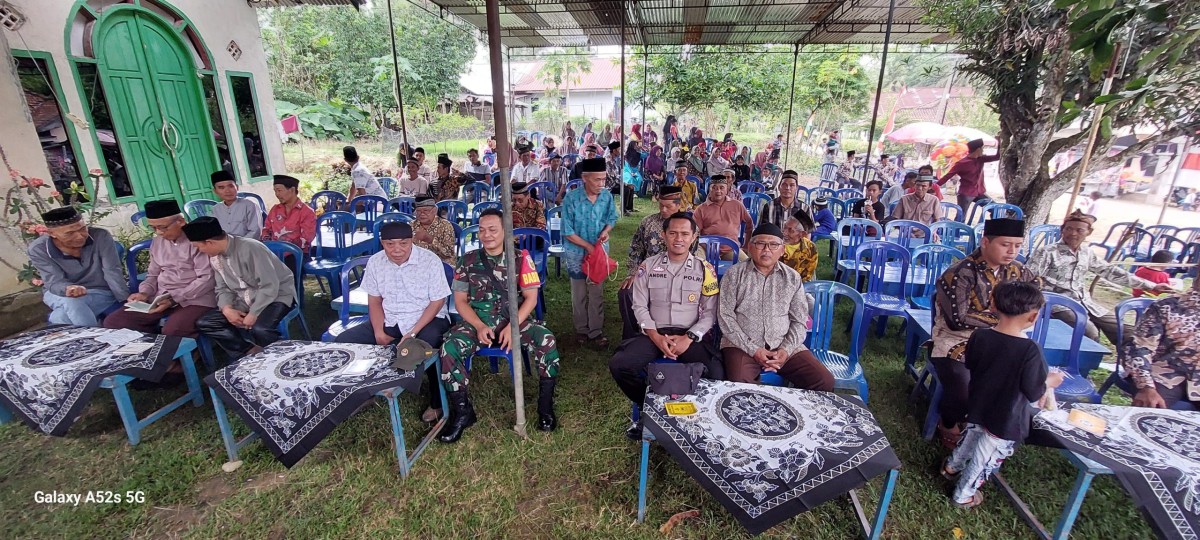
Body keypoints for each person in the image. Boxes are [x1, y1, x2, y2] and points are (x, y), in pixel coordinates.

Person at [438, 209, 561, 441]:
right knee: (449, 348)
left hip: (514, 321)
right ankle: (463, 413)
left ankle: (545, 408)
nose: (487, 235)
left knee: (547, 340)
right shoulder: (467, 261)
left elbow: (531, 299)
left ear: (505, 231)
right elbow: (461, 302)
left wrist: (513, 326)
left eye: (493, 230)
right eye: (482, 230)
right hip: (478, 324)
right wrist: (478, 325)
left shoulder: (522, 259)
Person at [942, 281, 1063, 508]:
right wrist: (1050, 381)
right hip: (1006, 416)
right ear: (1033, 317)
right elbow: (1032, 390)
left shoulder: (979, 336)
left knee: (971, 437)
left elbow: (972, 364)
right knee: (984, 456)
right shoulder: (1030, 350)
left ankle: (951, 467)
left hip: (978, 404)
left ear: (994, 305)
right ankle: (963, 494)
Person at [610, 212, 723, 439]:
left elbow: (710, 313)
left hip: (689, 337)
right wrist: (655, 337)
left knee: (718, 373)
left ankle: (697, 415)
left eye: (684, 234)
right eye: (673, 233)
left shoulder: (705, 270)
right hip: (655, 334)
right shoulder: (648, 266)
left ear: (693, 237)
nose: (678, 239)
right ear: (664, 236)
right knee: (620, 365)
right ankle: (651, 410)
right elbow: (639, 307)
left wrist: (689, 338)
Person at [931, 218, 1039, 448]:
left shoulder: (1019, 272)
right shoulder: (960, 272)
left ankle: (994, 427)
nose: (1012, 251)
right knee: (963, 384)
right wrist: (1005, 319)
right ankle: (949, 421)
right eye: (1005, 244)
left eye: (1018, 246)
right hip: (957, 338)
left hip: (1006, 338)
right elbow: (958, 319)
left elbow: (1035, 300)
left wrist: (1007, 323)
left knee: (1022, 378)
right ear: (985, 242)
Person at [334, 221, 452, 423]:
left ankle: (436, 402)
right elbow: (375, 300)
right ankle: (364, 394)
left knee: (426, 345)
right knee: (344, 342)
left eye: (403, 243)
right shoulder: (375, 262)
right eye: (390, 244)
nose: (397, 249)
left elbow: (437, 302)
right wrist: (379, 331)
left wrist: (413, 332)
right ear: (382, 242)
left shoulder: (430, 260)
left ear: (412, 241)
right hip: (392, 318)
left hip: (426, 320)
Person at [1025, 210, 1173, 344]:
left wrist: (1152, 286)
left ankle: (1130, 367)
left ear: (1088, 232)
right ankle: (1084, 366)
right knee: (1089, 332)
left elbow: (1110, 271)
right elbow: (1028, 279)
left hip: (1086, 302)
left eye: (1079, 230)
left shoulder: (1086, 253)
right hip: (1057, 304)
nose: (1073, 233)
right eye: (1068, 229)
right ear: (1062, 230)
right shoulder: (1047, 252)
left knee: (1126, 330)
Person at [719, 223, 834, 390]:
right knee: (739, 381)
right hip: (741, 345)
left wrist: (785, 350)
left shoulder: (792, 278)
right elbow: (725, 316)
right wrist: (754, 350)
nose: (767, 249)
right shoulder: (734, 274)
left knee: (824, 380)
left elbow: (799, 320)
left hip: (783, 345)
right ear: (750, 247)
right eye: (760, 244)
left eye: (773, 245)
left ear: (782, 250)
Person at [103, 199, 215, 338]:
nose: (159, 232)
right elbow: (152, 275)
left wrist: (174, 299)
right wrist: (144, 293)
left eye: (163, 227)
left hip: (197, 298)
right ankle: (149, 351)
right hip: (161, 297)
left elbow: (207, 279)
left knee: (173, 330)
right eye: (153, 228)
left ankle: (183, 356)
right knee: (114, 321)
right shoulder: (157, 243)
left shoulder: (198, 240)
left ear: (180, 221)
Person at [189, 217, 295, 360]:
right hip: (244, 297)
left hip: (277, 295)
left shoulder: (251, 247)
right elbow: (222, 287)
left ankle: (285, 359)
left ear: (210, 242)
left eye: (198, 247)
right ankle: (250, 351)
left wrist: (254, 313)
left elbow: (269, 285)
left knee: (260, 328)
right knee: (206, 322)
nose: (200, 251)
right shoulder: (215, 257)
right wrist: (227, 309)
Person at [28, 206, 128, 326]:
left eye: (82, 229)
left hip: (99, 292)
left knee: (59, 317)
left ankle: (88, 341)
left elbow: (111, 270)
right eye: (69, 233)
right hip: (58, 294)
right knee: (71, 301)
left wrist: (125, 299)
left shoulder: (100, 236)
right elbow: (54, 281)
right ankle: (94, 339)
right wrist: (68, 289)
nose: (80, 236)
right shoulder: (38, 249)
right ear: (51, 233)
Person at [562, 157, 619, 348]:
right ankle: (581, 330)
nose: (601, 184)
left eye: (603, 179)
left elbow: (612, 217)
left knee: (596, 292)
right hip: (576, 253)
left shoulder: (606, 197)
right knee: (579, 294)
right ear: (585, 178)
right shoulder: (571, 198)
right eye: (597, 180)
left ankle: (595, 331)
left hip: (599, 254)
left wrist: (606, 231)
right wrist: (588, 246)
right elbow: (567, 231)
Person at [1123, 275, 1200, 410]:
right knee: (1151, 412)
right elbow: (1139, 349)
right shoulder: (1167, 307)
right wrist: (1146, 386)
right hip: (1162, 374)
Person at [619, 186, 686, 339]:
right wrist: (633, 273)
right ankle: (632, 337)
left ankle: (670, 333)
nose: (663, 209)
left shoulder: (688, 226)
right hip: (647, 275)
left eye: (668, 206)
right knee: (625, 293)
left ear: (678, 205)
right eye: (660, 205)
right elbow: (636, 249)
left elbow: (693, 256)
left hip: (677, 277)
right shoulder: (648, 222)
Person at [692, 174, 754, 258]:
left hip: (731, 248)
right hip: (706, 248)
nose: (718, 191)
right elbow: (694, 232)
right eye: (714, 187)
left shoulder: (737, 205)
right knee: (697, 264)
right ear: (709, 189)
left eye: (721, 188)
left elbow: (749, 224)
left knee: (746, 267)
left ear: (727, 190)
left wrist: (746, 244)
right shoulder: (700, 209)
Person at [937, 139, 999, 211]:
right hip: (966, 193)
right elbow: (947, 176)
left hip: (979, 192)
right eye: (982, 149)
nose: (983, 151)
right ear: (978, 149)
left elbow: (997, 157)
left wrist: (1000, 142)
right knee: (961, 217)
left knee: (995, 209)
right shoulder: (961, 163)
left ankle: (994, 222)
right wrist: (935, 186)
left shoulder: (981, 159)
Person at [262, 174, 316, 253]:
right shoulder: (275, 210)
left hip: (296, 254)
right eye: (275, 191)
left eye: (279, 190)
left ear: (292, 190)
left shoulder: (307, 212)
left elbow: (306, 240)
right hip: (273, 253)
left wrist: (283, 247)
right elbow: (266, 230)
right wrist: (268, 243)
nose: (277, 194)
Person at [210, 170, 262, 238]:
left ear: (237, 187)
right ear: (215, 191)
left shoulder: (249, 205)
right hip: (223, 246)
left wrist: (238, 246)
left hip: (247, 245)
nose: (227, 191)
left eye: (231, 186)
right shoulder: (215, 209)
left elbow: (255, 232)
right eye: (221, 188)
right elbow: (214, 232)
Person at [781, 210, 819, 282]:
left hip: (800, 287)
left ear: (802, 234)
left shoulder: (810, 248)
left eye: (790, 230)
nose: (784, 233)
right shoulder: (775, 244)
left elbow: (807, 276)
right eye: (784, 227)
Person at [607, 141, 634, 215]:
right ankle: (623, 209)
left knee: (631, 187)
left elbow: (616, 175)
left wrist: (626, 183)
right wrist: (625, 184)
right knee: (626, 189)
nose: (620, 152)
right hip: (609, 185)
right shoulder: (608, 161)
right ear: (614, 150)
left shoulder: (613, 159)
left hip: (614, 183)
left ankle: (629, 208)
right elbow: (613, 178)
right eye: (619, 150)